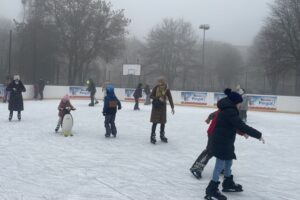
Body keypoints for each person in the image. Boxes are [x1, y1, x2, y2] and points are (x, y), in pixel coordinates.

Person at [204, 88, 265, 200]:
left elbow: (235, 126)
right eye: (239, 103)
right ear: (235, 103)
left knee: (229, 161)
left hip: (226, 141)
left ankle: (227, 182)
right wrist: (258, 135)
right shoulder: (229, 111)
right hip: (221, 142)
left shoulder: (228, 109)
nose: (240, 106)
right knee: (220, 165)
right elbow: (241, 125)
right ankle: (211, 190)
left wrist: (243, 133)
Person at [190, 111, 248, 179]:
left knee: (223, 151)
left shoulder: (229, 109)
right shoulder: (228, 110)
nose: (240, 106)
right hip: (214, 133)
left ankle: (221, 168)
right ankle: (196, 168)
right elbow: (233, 125)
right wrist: (242, 133)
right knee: (210, 151)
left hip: (222, 135)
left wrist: (209, 119)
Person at [150, 77, 175, 144]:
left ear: (163, 82)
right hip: (156, 107)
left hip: (163, 108)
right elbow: (151, 96)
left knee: (163, 122)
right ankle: (152, 136)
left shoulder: (167, 89)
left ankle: (162, 135)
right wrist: (158, 98)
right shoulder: (156, 88)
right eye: (158, 82)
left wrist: (172, 107)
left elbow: (170, 98)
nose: (159, 83)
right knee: (154, 122)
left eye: (160, 82)